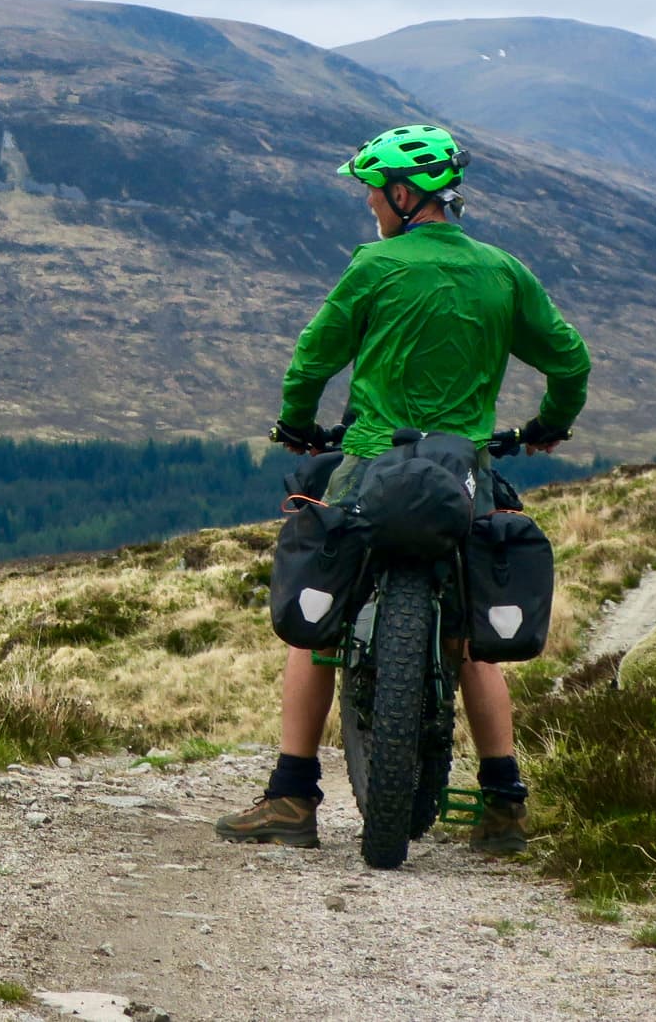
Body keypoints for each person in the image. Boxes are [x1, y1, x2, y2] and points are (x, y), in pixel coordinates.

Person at [215, 124, 591, 856]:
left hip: (369, 464)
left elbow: (313, 356)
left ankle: (292, 795)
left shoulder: (374, 267)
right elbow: (570, 361)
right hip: (463, 472)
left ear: (403, 193)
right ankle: (505, 803)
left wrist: (297, 423)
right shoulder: (503, 271)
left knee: (316, 623)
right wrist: (549, 425)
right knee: (471, 636)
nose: (368, 205)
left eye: (371, 192)